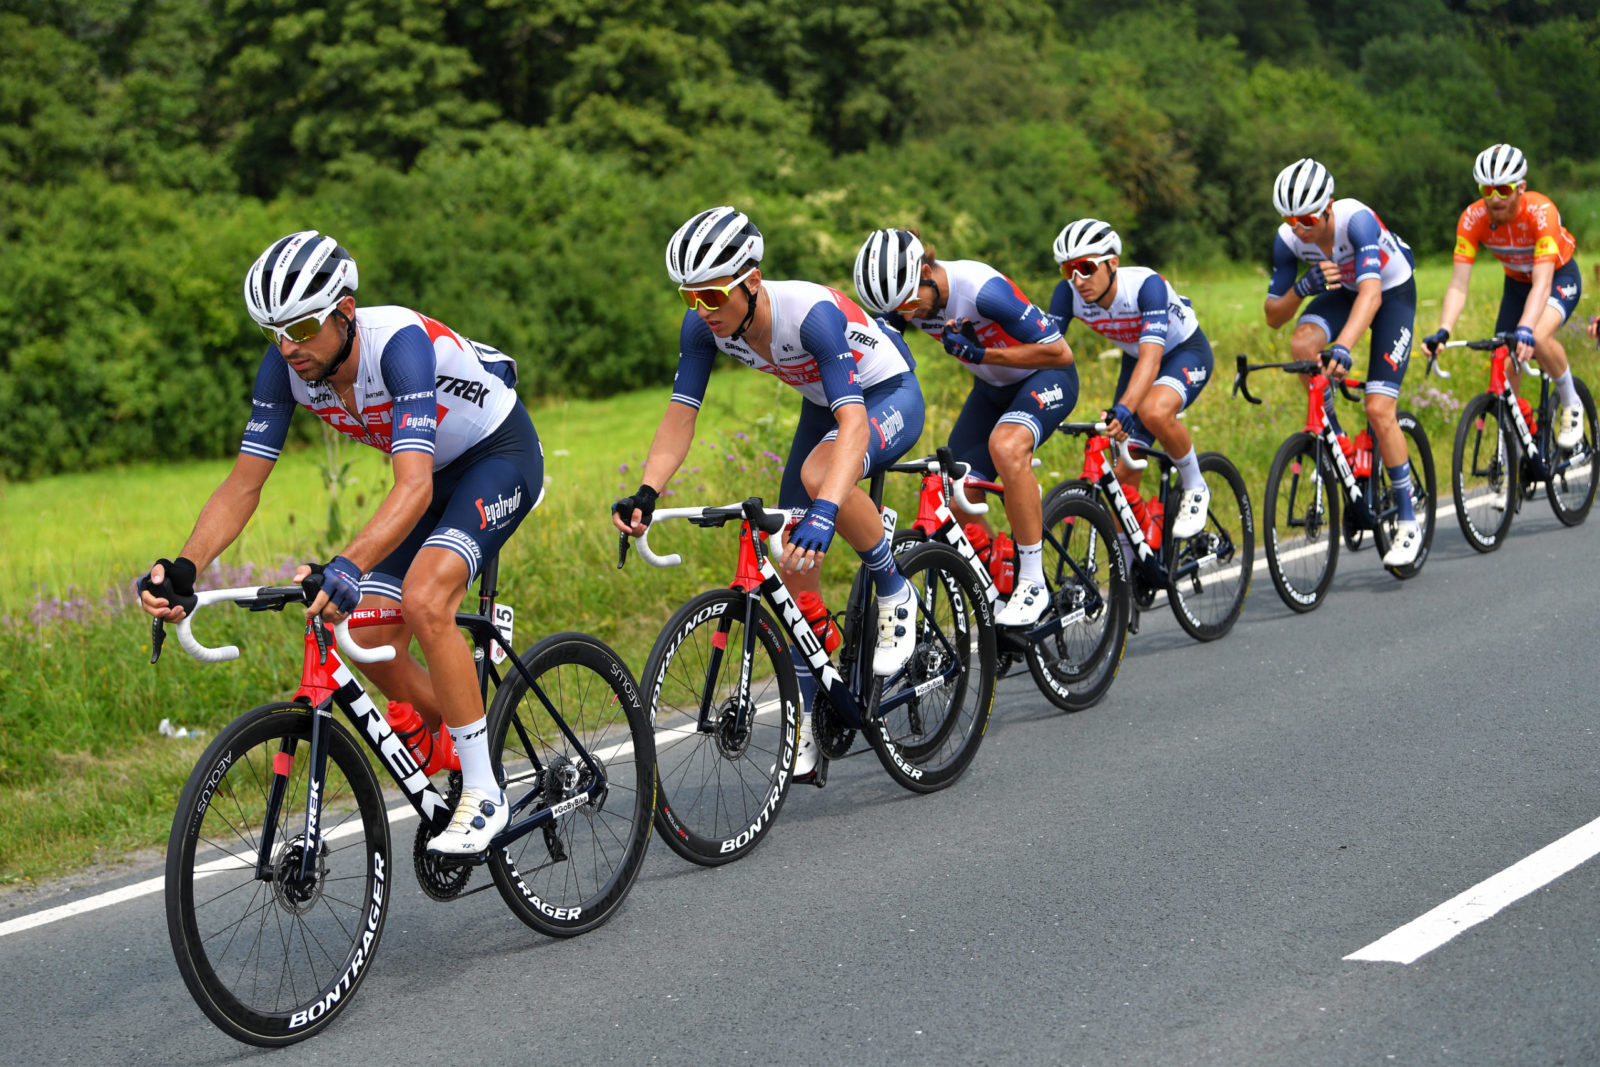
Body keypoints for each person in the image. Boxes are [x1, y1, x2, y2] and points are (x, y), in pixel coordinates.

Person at [138, 230, 542, 855]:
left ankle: (485, 792)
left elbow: (411, 485)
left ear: (344, 312)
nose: (288, 347)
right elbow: (244, 484)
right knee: (367, 634)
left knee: (426, 598)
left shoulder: (399, 346)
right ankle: (460, 732)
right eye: (273, 331)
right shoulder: (286, 368)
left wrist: (348, 563)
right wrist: (187, 565)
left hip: (497, 456)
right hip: (431, 477)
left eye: (301, 328)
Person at [613, 206, 925, 782]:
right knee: (793, 564)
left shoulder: (810, 317)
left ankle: (893, 587)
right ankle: (809, 712)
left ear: (752, 281)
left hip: (886, 392)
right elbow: (681, 415)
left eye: (712, 295)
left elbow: (854, 424)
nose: (701, 310)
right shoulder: (704, 326)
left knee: (819, 477)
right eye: (689, 296)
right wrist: (647, 492)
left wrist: (827, 510)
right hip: (822, 403)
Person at [854, 228, 1076, 627]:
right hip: (990, 391)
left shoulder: (982, 291)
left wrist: (983, 353)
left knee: (1007, 447)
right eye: (898, 311)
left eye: (910, 304)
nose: (909, 316)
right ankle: (1001, 573)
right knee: (953, 496)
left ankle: (1032, 581)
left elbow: (1060, 353)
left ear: (926, 271)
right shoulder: (905, 300)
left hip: (1044, 378)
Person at [1263, 158, 1423, 567]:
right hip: (1342, 291)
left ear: (1328, 207)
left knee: (1378, 407)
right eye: (1291, 220)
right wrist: (1301, 288)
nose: (1299, 228)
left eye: (1307, 219)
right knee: (1302, 345)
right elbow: (1274, 316)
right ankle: (1338, 442)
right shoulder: (1289, 238)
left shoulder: (1357, 221)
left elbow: (1371, 295)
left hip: (1391, 293)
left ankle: (1408, 520)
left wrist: (1345, 347)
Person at [1048, 219, 1215, 567]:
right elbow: (1045, 351)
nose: (1078, 280)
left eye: (1086, 267)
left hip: (1183, 352)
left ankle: (1195, 485)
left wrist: (1125, 408)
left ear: (1112, 263)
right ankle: (1131, 563)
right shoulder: (1067, 294)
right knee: (1122, 476)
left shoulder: (1145, 286)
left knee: (1154, 411)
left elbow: (1152, 358)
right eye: (1068, 270)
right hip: (1136, 358)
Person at [1420, 143, 1585, 449]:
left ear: (1521, 188)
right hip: (1517, 284)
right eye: (1486, 189)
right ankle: (1517, 446)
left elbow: (1542, 282)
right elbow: (1458, 284)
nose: (1494, 198)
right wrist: (1444, 330)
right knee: (1502, 359)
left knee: (1538, 336)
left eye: (1504, 189)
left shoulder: (1541, 212)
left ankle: (1571, 403)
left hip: (1557, 277)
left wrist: (1525, 328)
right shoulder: (1472, 219)